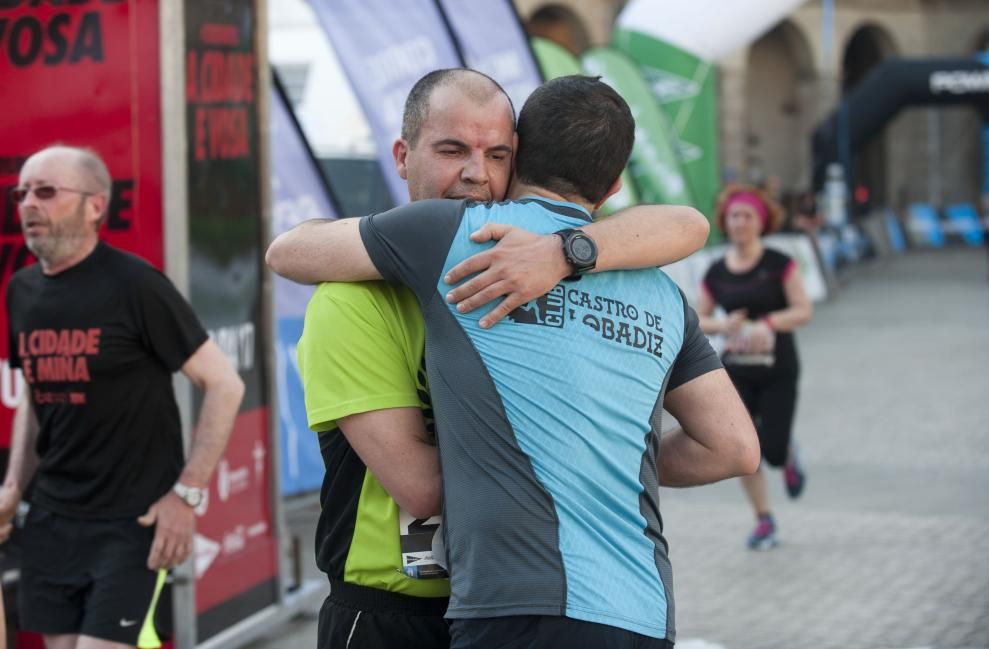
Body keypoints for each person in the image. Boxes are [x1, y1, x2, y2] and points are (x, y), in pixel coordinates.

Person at [270, 74, 759, 649]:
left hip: (504, 608)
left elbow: (687, 227)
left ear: (520, 159)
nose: (476, 173)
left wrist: (563, 253)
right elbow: (420, 488)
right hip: (397, 611)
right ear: (402, 156)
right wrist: (595, 458)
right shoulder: (361, 291)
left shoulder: (490, 241)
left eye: (496, 154)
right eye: (452, 150)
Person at [0, 146, 245, 649]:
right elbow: (33, 393)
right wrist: (10, 490)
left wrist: (187, 494)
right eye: (21, 192)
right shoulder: (21, 290)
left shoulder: (136, 285)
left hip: (132, 523)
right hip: (50, 519)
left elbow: (224, 383)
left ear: (95, 206)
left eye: (46, 192)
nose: (27, 204)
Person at [697, 184, 813, 550]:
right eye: (734, 216)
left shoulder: (779, 264)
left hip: (779, 369)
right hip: (736, 373)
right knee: (746, 453)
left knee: (773, 450)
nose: (740, 223)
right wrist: (723, 325)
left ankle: (789, 453)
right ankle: (764, 520)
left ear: (761, 222)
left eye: (747, 216)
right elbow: (698, 318)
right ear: (725, 222)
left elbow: (803, 310)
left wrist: (769, 324)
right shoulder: (716, 271)